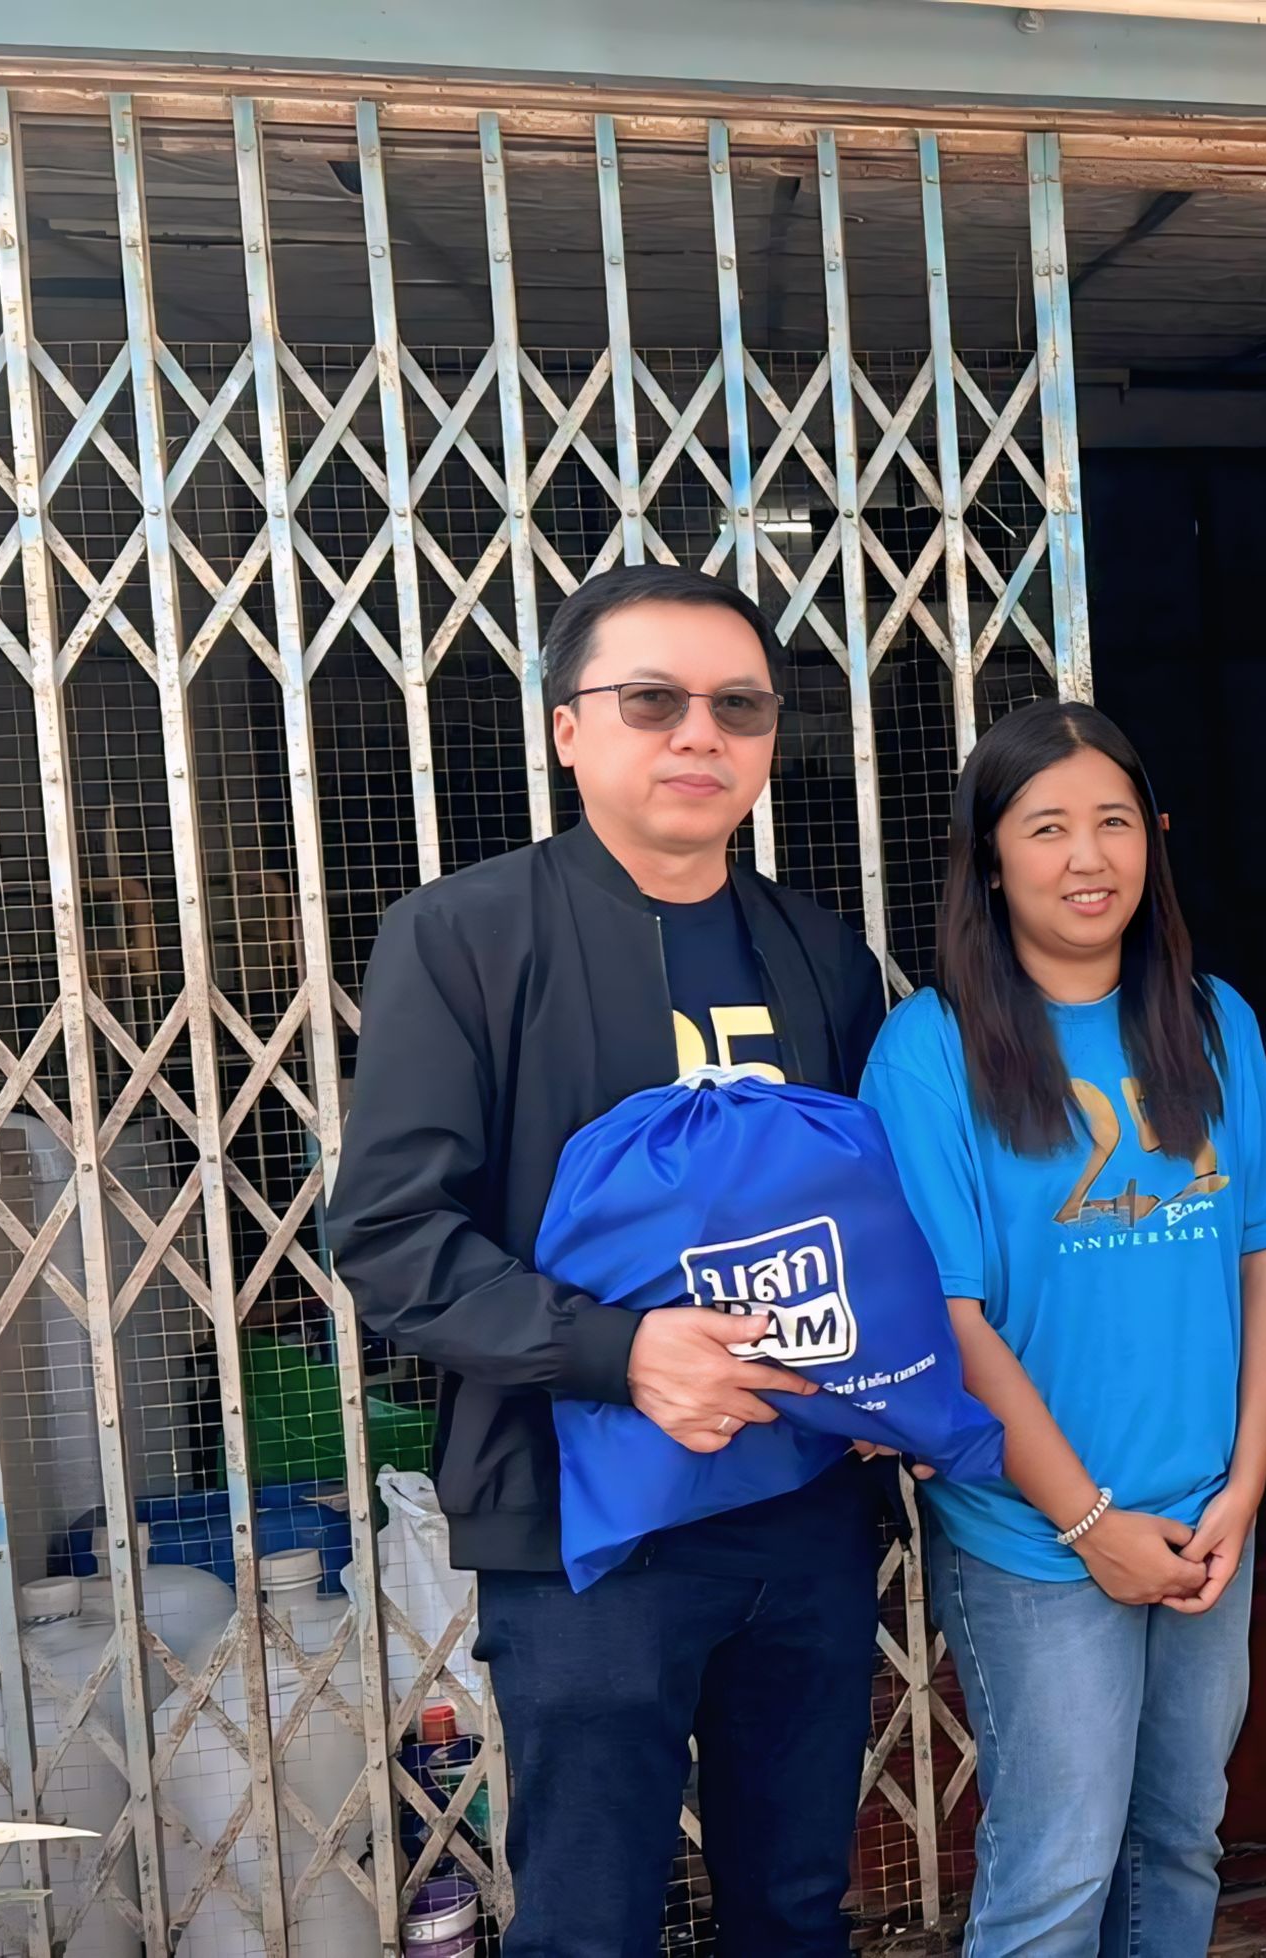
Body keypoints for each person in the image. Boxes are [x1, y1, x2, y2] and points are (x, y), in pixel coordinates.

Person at [332, 563, 890, 1958]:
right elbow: (391, 1233)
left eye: (739, 705)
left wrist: (902, 1385)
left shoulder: (824, 954)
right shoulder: (462, 937)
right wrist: (622, 1349)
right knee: (591, 1923)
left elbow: (871, 1218)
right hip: (587, 1531)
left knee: (795, 1909)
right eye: (654, 700)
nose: (700, 732)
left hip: (804, 1511)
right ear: (569, 726)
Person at [856, 701, 1266, 1958]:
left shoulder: (1213, 1020)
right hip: (1037, 1540)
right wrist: (1094, 1524)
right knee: (1058, 1869)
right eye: (1047, 827)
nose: (1088, 856)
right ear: (990, 857)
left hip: (1207, 1526)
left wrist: (1245, 1486)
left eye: (1115, 821)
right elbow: (951, 1319)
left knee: (1180, 1843)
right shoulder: (931, 1049)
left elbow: (1264, 1257)